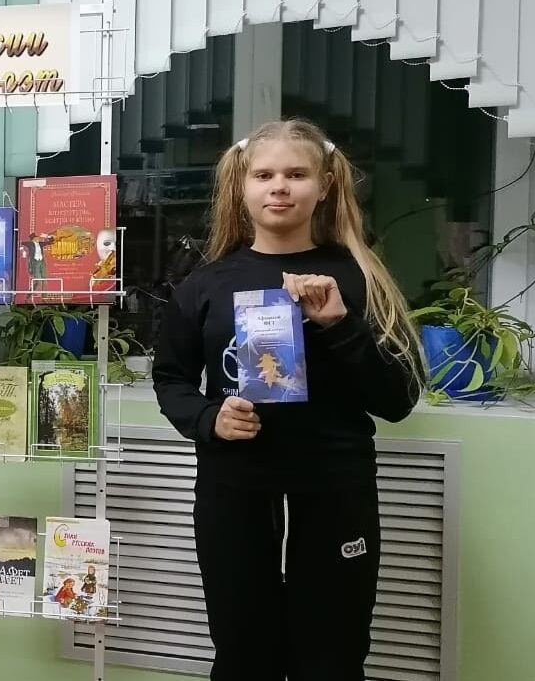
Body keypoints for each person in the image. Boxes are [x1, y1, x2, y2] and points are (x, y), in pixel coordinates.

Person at [151, 119, 422, 681]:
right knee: (243, 653)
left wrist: (339, 326)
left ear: (324, 185)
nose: (279, 186)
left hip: (335, 486)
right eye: (264, 175)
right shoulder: (205, 285)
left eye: (297, 174)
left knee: (333, 656)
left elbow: (398, 399)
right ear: (241, 186)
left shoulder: (358, 278)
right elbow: (171, 379)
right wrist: (208, 417)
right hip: (234, 487)